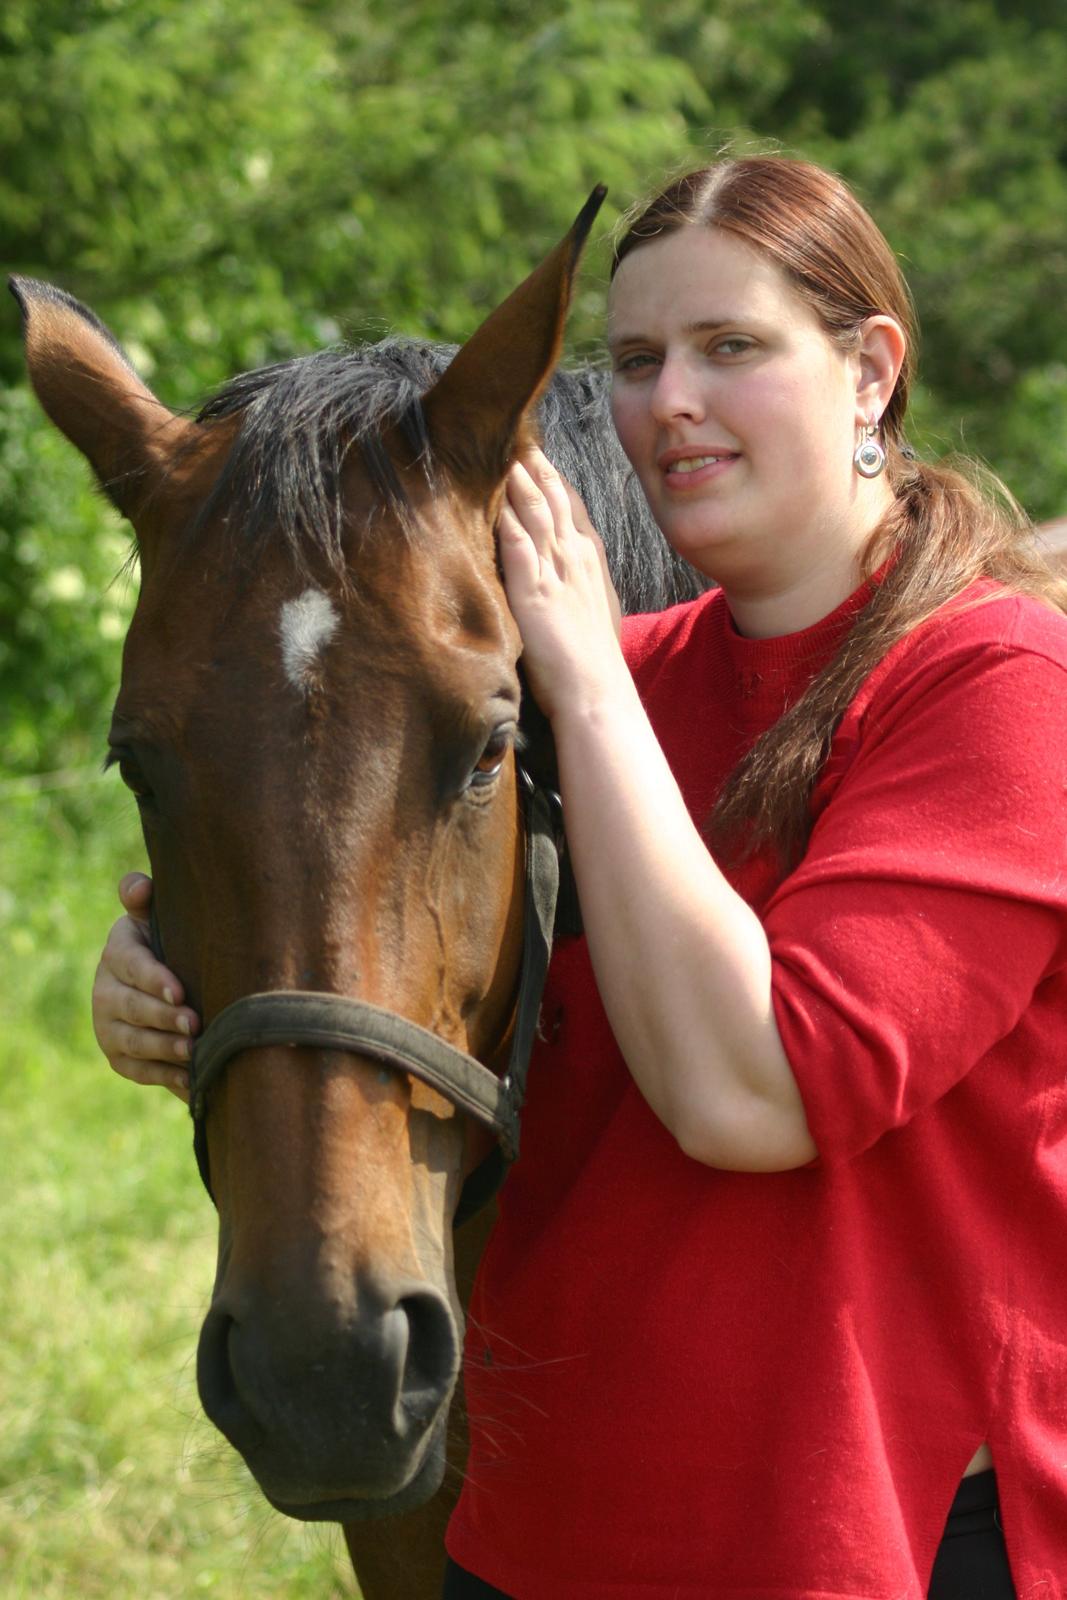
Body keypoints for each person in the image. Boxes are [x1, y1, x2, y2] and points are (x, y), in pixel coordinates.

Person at [92, 158, 1067, 1597]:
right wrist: (173, 975)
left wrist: (593, 683)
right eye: (637, 359)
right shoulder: (580, 685)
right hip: (546, 1527)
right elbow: (392, 915)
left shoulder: (1000, 688)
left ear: (871, 372)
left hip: (871, 1532)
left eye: (731, 346)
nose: (670, 402)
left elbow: (755, 1094)